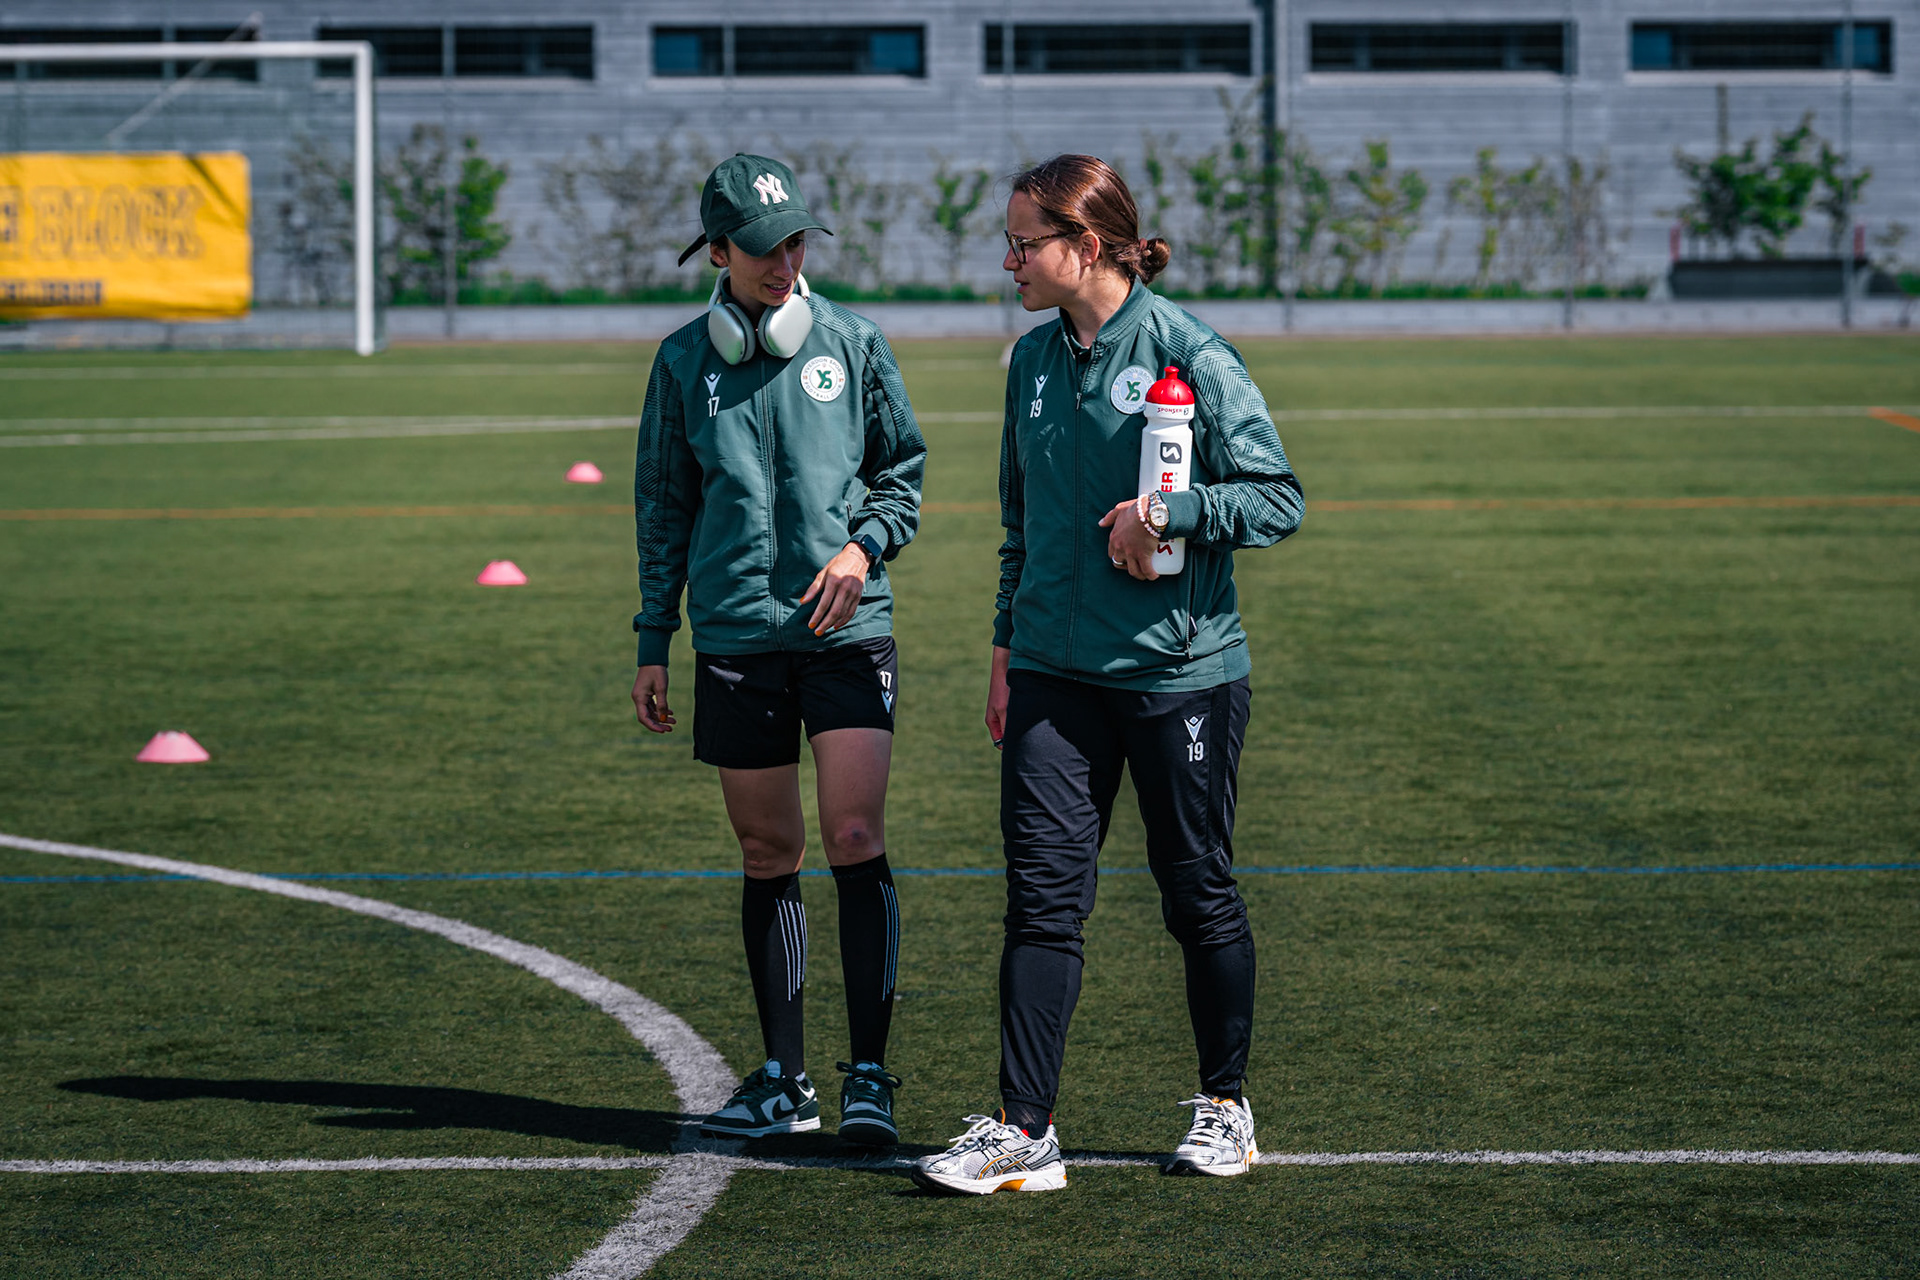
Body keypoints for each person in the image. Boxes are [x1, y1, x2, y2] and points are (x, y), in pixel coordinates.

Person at [911, 154, 1303, 1194]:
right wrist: (1005, 651)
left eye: (1023, 243)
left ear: (1084, 247)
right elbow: (1018, 523)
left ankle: (1227, 1104)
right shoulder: (1029, 362)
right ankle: (1024, 1130)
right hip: (1049, 673)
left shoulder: (1190, 352)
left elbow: (1276, 497)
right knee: (1041, 902)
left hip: (1180, 675)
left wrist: (1167, 512)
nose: (1009, 261)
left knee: (1197, 894)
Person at [631, 154, 925, 1146]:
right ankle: (784, 1079)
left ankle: (871, 1076)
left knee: (852, 836)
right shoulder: (681, 364)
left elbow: (903, 474)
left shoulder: (855, 341)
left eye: (796, 241)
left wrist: (861, 544)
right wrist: (651, 637)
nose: (783, 262)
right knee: (768, 848)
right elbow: (663, 508)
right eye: (762, 247)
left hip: (849, 631)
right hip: (734, 637)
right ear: (717, 252)